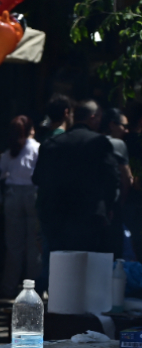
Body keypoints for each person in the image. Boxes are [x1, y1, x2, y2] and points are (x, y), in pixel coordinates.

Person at [33, 100, 121, 256]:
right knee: (86, 268)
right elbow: (112, 178)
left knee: (57, 268)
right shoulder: (99, 143)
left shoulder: (52, 144)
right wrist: (107, 206)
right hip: (89, 217)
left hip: (56, 217)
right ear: (93, 118)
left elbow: (38, 178)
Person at [0, 115, 41, 295]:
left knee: (14, 245)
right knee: (34, 244)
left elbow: (1, 174)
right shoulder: (37, 148)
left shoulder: (9, 152)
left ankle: (9, 286)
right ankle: (34, 287)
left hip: (13, 196)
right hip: (33, 195)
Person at [104, 108, 134, 258]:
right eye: (124, 126)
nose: (127, 131)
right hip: (114, 204)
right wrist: (122, 200)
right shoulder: (118, 145)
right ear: (112, 125)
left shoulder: (91, 142)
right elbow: (126, 178)